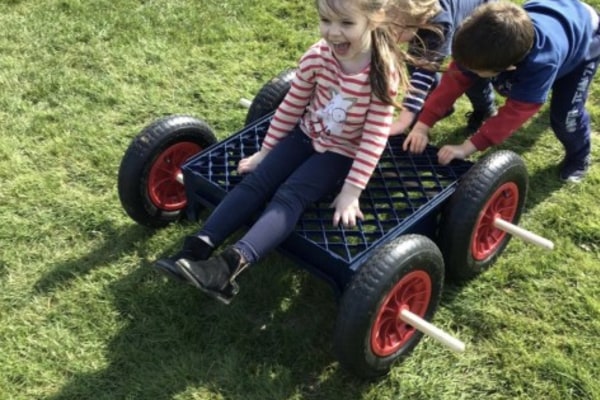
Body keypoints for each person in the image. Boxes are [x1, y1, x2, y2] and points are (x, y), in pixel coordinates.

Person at [153, 0, 413, 304]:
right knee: (258, 180)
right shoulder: (318, 56)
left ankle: (228, 268)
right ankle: (196, 248)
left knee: (290, 195)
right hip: (306, 134)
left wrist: (352, 191)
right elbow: (292, 105)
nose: (333, 32)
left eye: (346, 23)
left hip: (343, 152)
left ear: (374, 19)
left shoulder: (381, 72)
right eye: (326, 20)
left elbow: (374, 137)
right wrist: (266, 152)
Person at [403, 0, 600, 183]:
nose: (468, 71)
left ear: (509, 68)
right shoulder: (477, 42)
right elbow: (453, 82)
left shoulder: (540, 65)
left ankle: (579, 156)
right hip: (556, 11)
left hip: (585, 39)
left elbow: (515, 113)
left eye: (475, 71)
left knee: (566, 115)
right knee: (482, 78)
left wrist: (466, 148)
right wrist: (423, 125)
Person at [390, 0, 498, 136]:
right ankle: (439, 105)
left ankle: (484, 109)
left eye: (393, 31)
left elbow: (424, 74)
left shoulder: (439, 25)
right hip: (427, 24)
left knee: (471, 71)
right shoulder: (401, 14)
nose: (388, 35)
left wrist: (403, 120)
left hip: (480, 23)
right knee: (413, 62)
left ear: (419, 21)